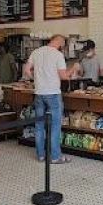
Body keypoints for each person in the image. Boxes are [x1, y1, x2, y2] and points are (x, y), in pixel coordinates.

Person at [24, 34, 74, 164]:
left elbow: (27, 70)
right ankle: (55, 157)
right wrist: (74, 69)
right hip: (53, 94)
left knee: (39, 125)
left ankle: (41, 155)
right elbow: (63, 76)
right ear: (60, 43)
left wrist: (36, 80)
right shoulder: (58, 55)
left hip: (39, 94)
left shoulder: (36, 52)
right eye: (63, 45)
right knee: (55, 126)